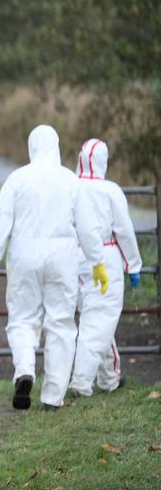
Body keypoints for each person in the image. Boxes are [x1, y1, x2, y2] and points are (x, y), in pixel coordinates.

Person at [0, 125, 107, 411]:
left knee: (23, 318)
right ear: (57, 146)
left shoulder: (16, 179)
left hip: (24, 254)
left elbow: (2, 222)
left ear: (31, 146)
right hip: (63, 256)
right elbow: (88, 228)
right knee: (61, 324)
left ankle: (25, 369)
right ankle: (52, 397)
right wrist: (97, 262)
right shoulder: (70, 180)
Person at [71, 138, 141, 396]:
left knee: (95, 319)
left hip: (72, 258)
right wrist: (133, 264)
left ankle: (109, 378)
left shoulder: (70, 186)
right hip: (104, 255)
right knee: (99, 319)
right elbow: (124, 230)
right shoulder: (110, 190)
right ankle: (81, 381)